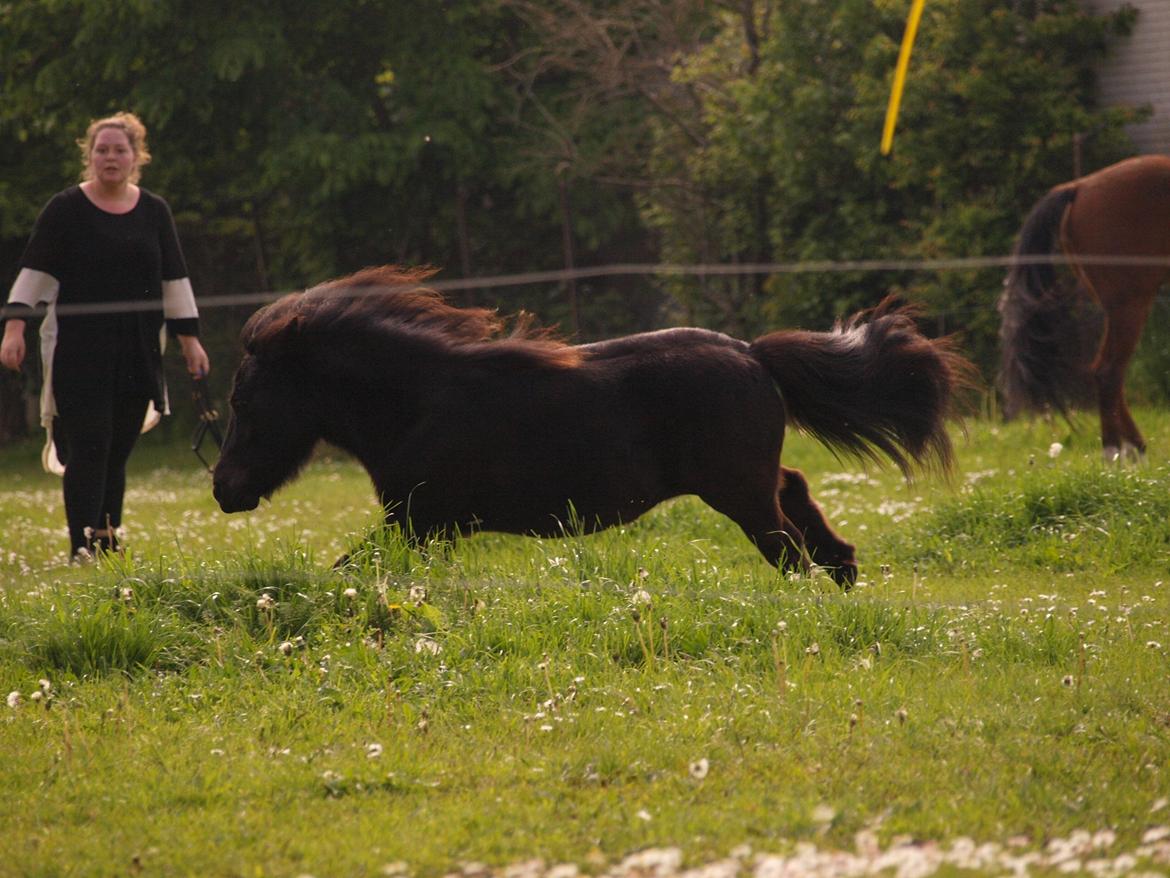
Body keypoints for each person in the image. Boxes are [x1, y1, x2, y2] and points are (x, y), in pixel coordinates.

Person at [0, 111, 210, 560]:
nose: (110, 157)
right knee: (90, 446)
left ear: (136, 157)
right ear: (89, 156)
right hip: (78, 348)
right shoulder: (65, 209)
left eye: (119, 150)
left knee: (117, 451)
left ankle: (107, 541)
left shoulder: (154, 211)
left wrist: (189, 340)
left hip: (137, 350)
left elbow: (174, 279)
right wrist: (14, 328)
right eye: (102, 149)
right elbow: (33, 273)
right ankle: (81, 547)